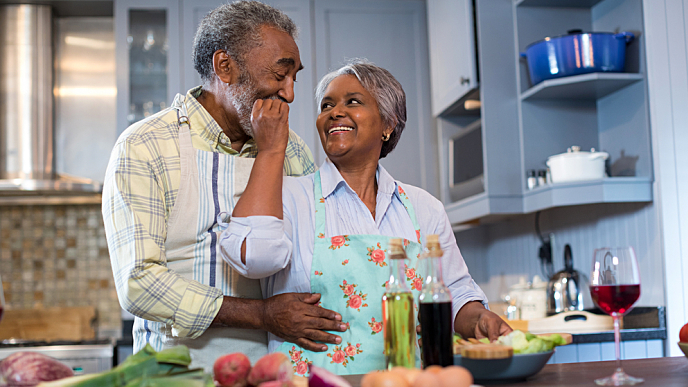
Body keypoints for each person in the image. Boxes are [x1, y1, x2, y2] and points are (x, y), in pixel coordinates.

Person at [219, 59, 512, 375]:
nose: (334, 112)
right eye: (326, 105)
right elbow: (254, 259)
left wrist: (480, 318)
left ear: (388, 124)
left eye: (352, 102)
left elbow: (455, 295)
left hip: (406, 382)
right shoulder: (289, 196)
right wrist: (270, 151)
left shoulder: (423, 207)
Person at [101, 0, 345, 371]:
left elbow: (318, 253)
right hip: (178, 373)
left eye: (295, 77)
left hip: (277, 373)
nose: (291, 93)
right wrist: (262, 314)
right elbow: (140, 283)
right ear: (225, 67)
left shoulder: (292, 148)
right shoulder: (146, 144)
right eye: (280, 75)